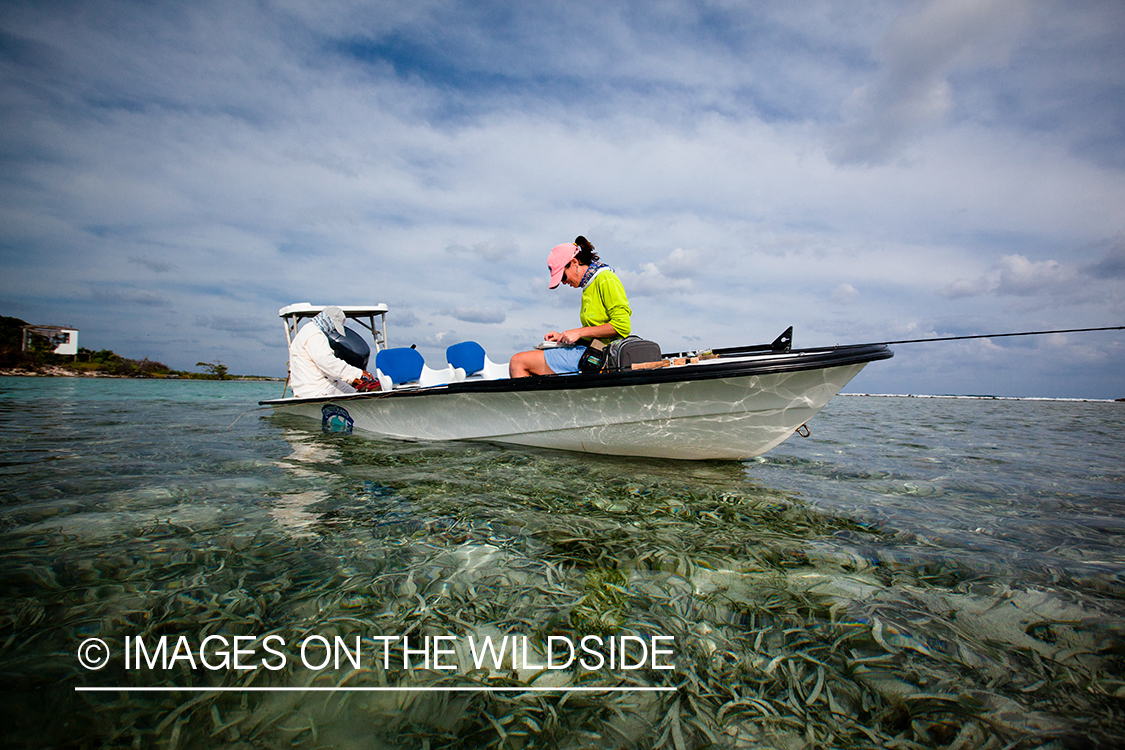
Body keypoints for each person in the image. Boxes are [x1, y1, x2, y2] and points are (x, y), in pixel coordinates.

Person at [509, 236, 631, 377]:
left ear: (574, 263)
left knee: (518, 361)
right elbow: (593, 331)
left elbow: (622, 326)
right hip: (588, 349)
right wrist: (564, 337)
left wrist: (579, 332)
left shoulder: (606, 279)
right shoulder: (588, 285)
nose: (564, 282)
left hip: (599, 355)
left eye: (563, 277)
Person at [288, 306, 377, 397]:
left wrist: (350, 378)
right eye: (334, 326)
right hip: (315, 389)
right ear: (329, 320)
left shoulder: (309, 330)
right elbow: (327, 362)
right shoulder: (315, 335)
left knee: (351, 391)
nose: (333, 329)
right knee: (355, 396)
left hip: (316, 385)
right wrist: (356, 373)